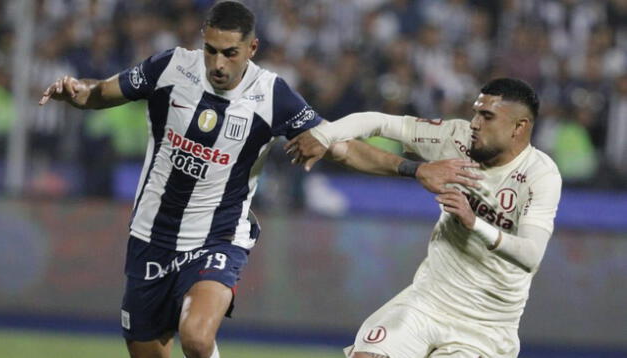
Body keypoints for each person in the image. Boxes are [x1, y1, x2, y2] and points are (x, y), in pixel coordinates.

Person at [38, 2, 481, 358]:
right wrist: (76, 94)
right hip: (150, 235)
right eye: (211, 49)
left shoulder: (271, 95)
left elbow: (340, 145)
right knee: (147, 350)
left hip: (218, 235)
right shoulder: (172, 66)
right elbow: (101, 93)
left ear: (252, 48)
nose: (217, 62)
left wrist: (413, 168)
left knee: (196, 337)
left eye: (229, 52)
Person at [286, 78, 562, 358]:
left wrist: (474, 222)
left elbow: (531, 254)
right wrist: (325, 134)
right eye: (476, 112)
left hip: (485, 325)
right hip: (427, 300)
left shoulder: (540, 176)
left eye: (487, 116)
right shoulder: (456, 138)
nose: (475, 123)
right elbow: (377, 121)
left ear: (519, 127)